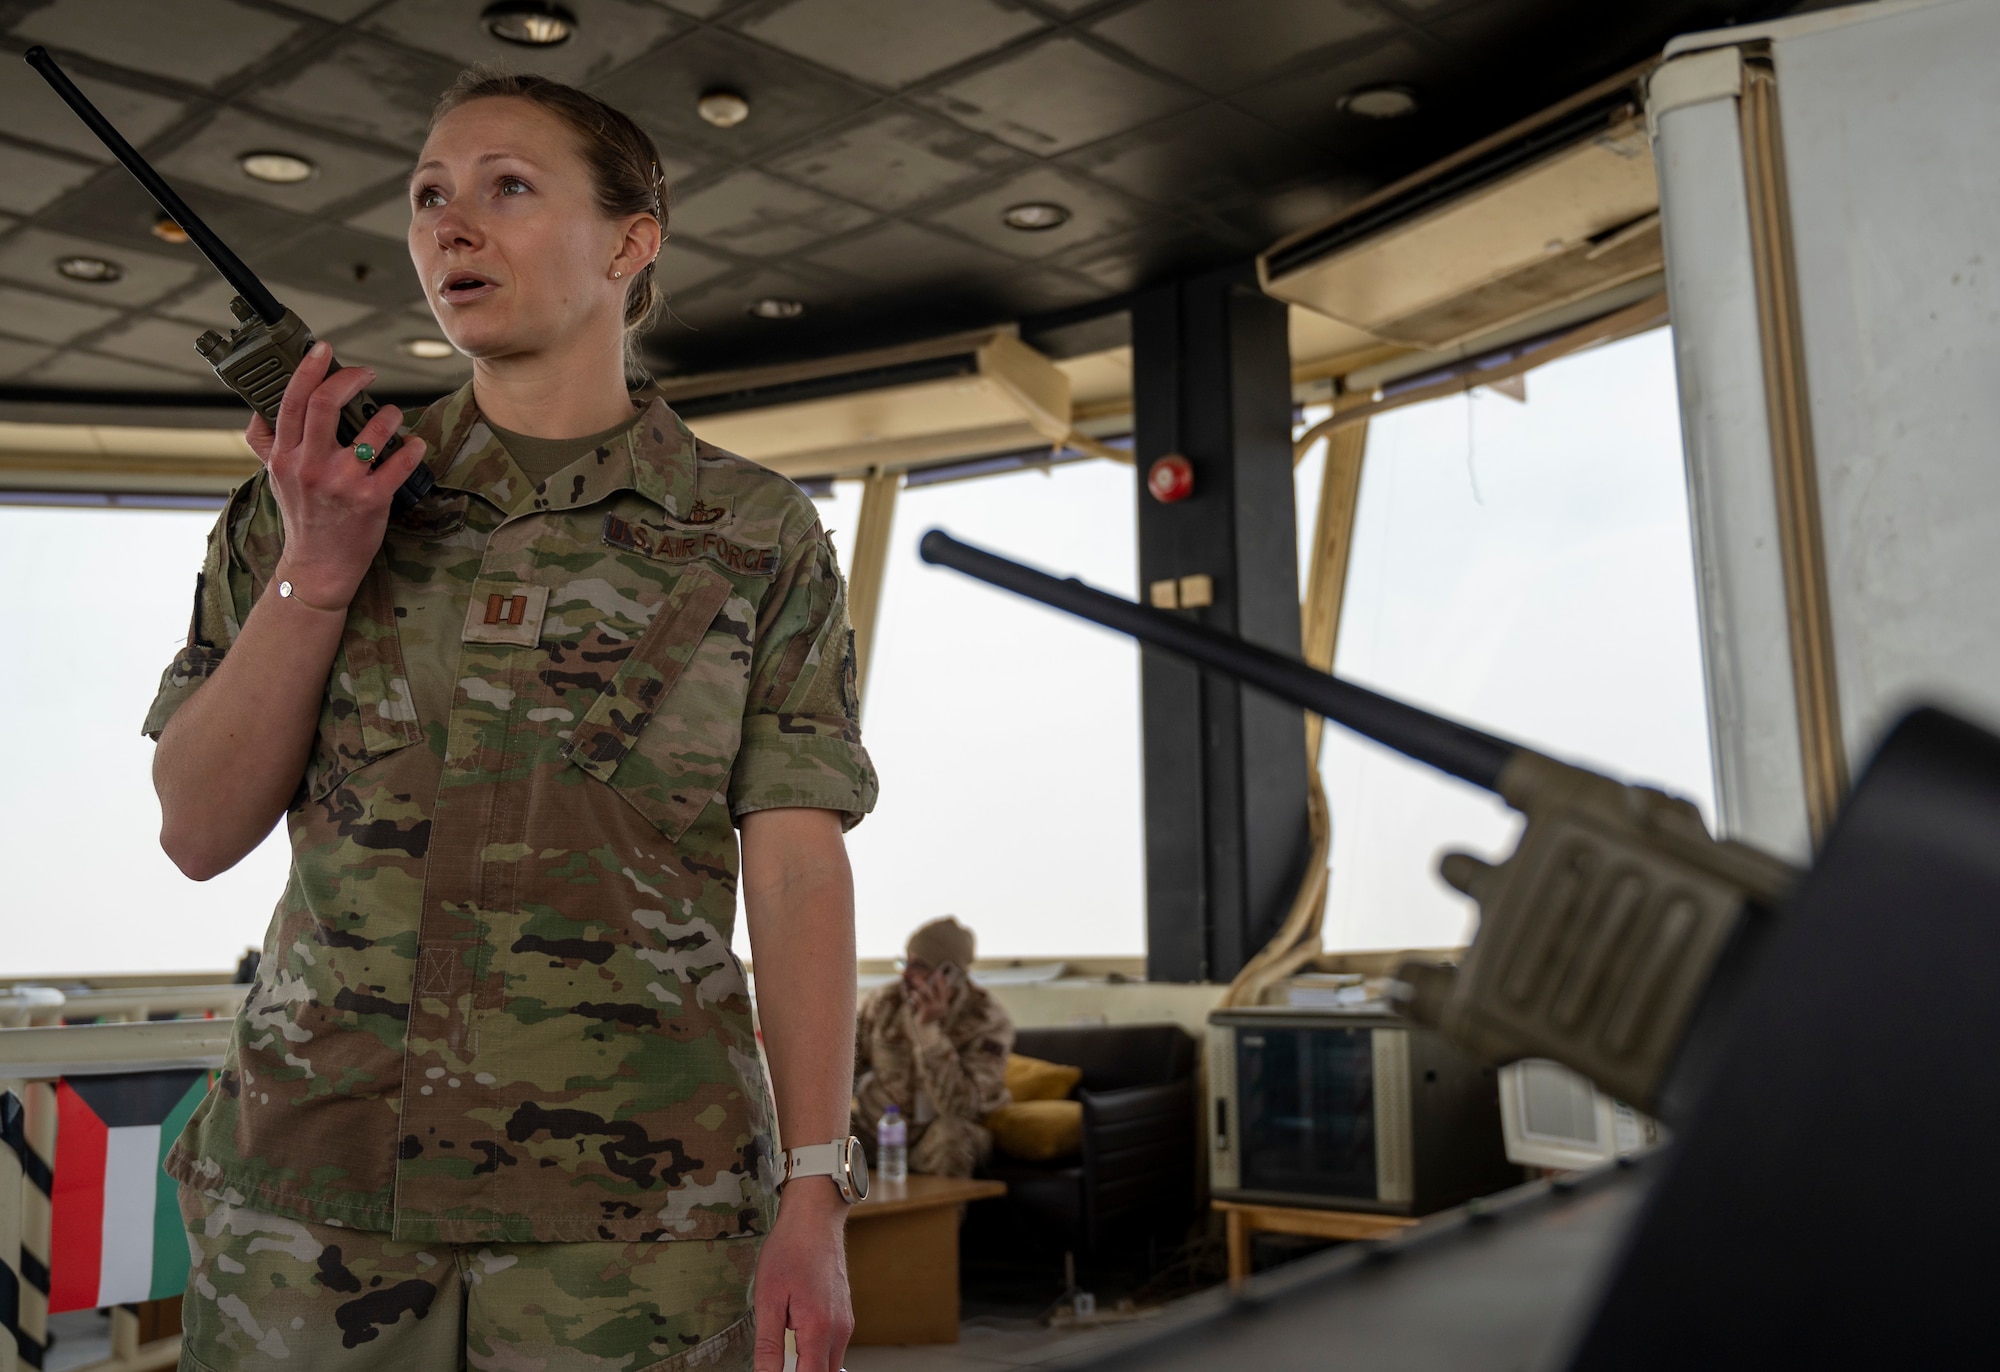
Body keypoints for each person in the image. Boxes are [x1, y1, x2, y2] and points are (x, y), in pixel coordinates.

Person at [145, 69, 876, 1372]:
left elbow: (799, 862)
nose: (449, 226)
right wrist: (319, 566)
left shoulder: (759, 539)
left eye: (508, 189)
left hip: (640, 1236)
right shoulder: (302, 497)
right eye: (429, 196)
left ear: (629, 241)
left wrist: (815, 1187)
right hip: (311, 1224)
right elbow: (197, 831)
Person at [852, 918, 1014, 1178]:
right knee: (824, 1136)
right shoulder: (885, 1002)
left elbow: (960, 1107)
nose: (905, 973)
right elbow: (844, 1066)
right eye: (905, 962)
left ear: (949, 972)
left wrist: (928, 1032)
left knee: (953, 1138)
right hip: (880, 1130)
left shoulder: (987, 1020)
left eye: (918, 965)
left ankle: (941, 1217)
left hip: (937, 1138)